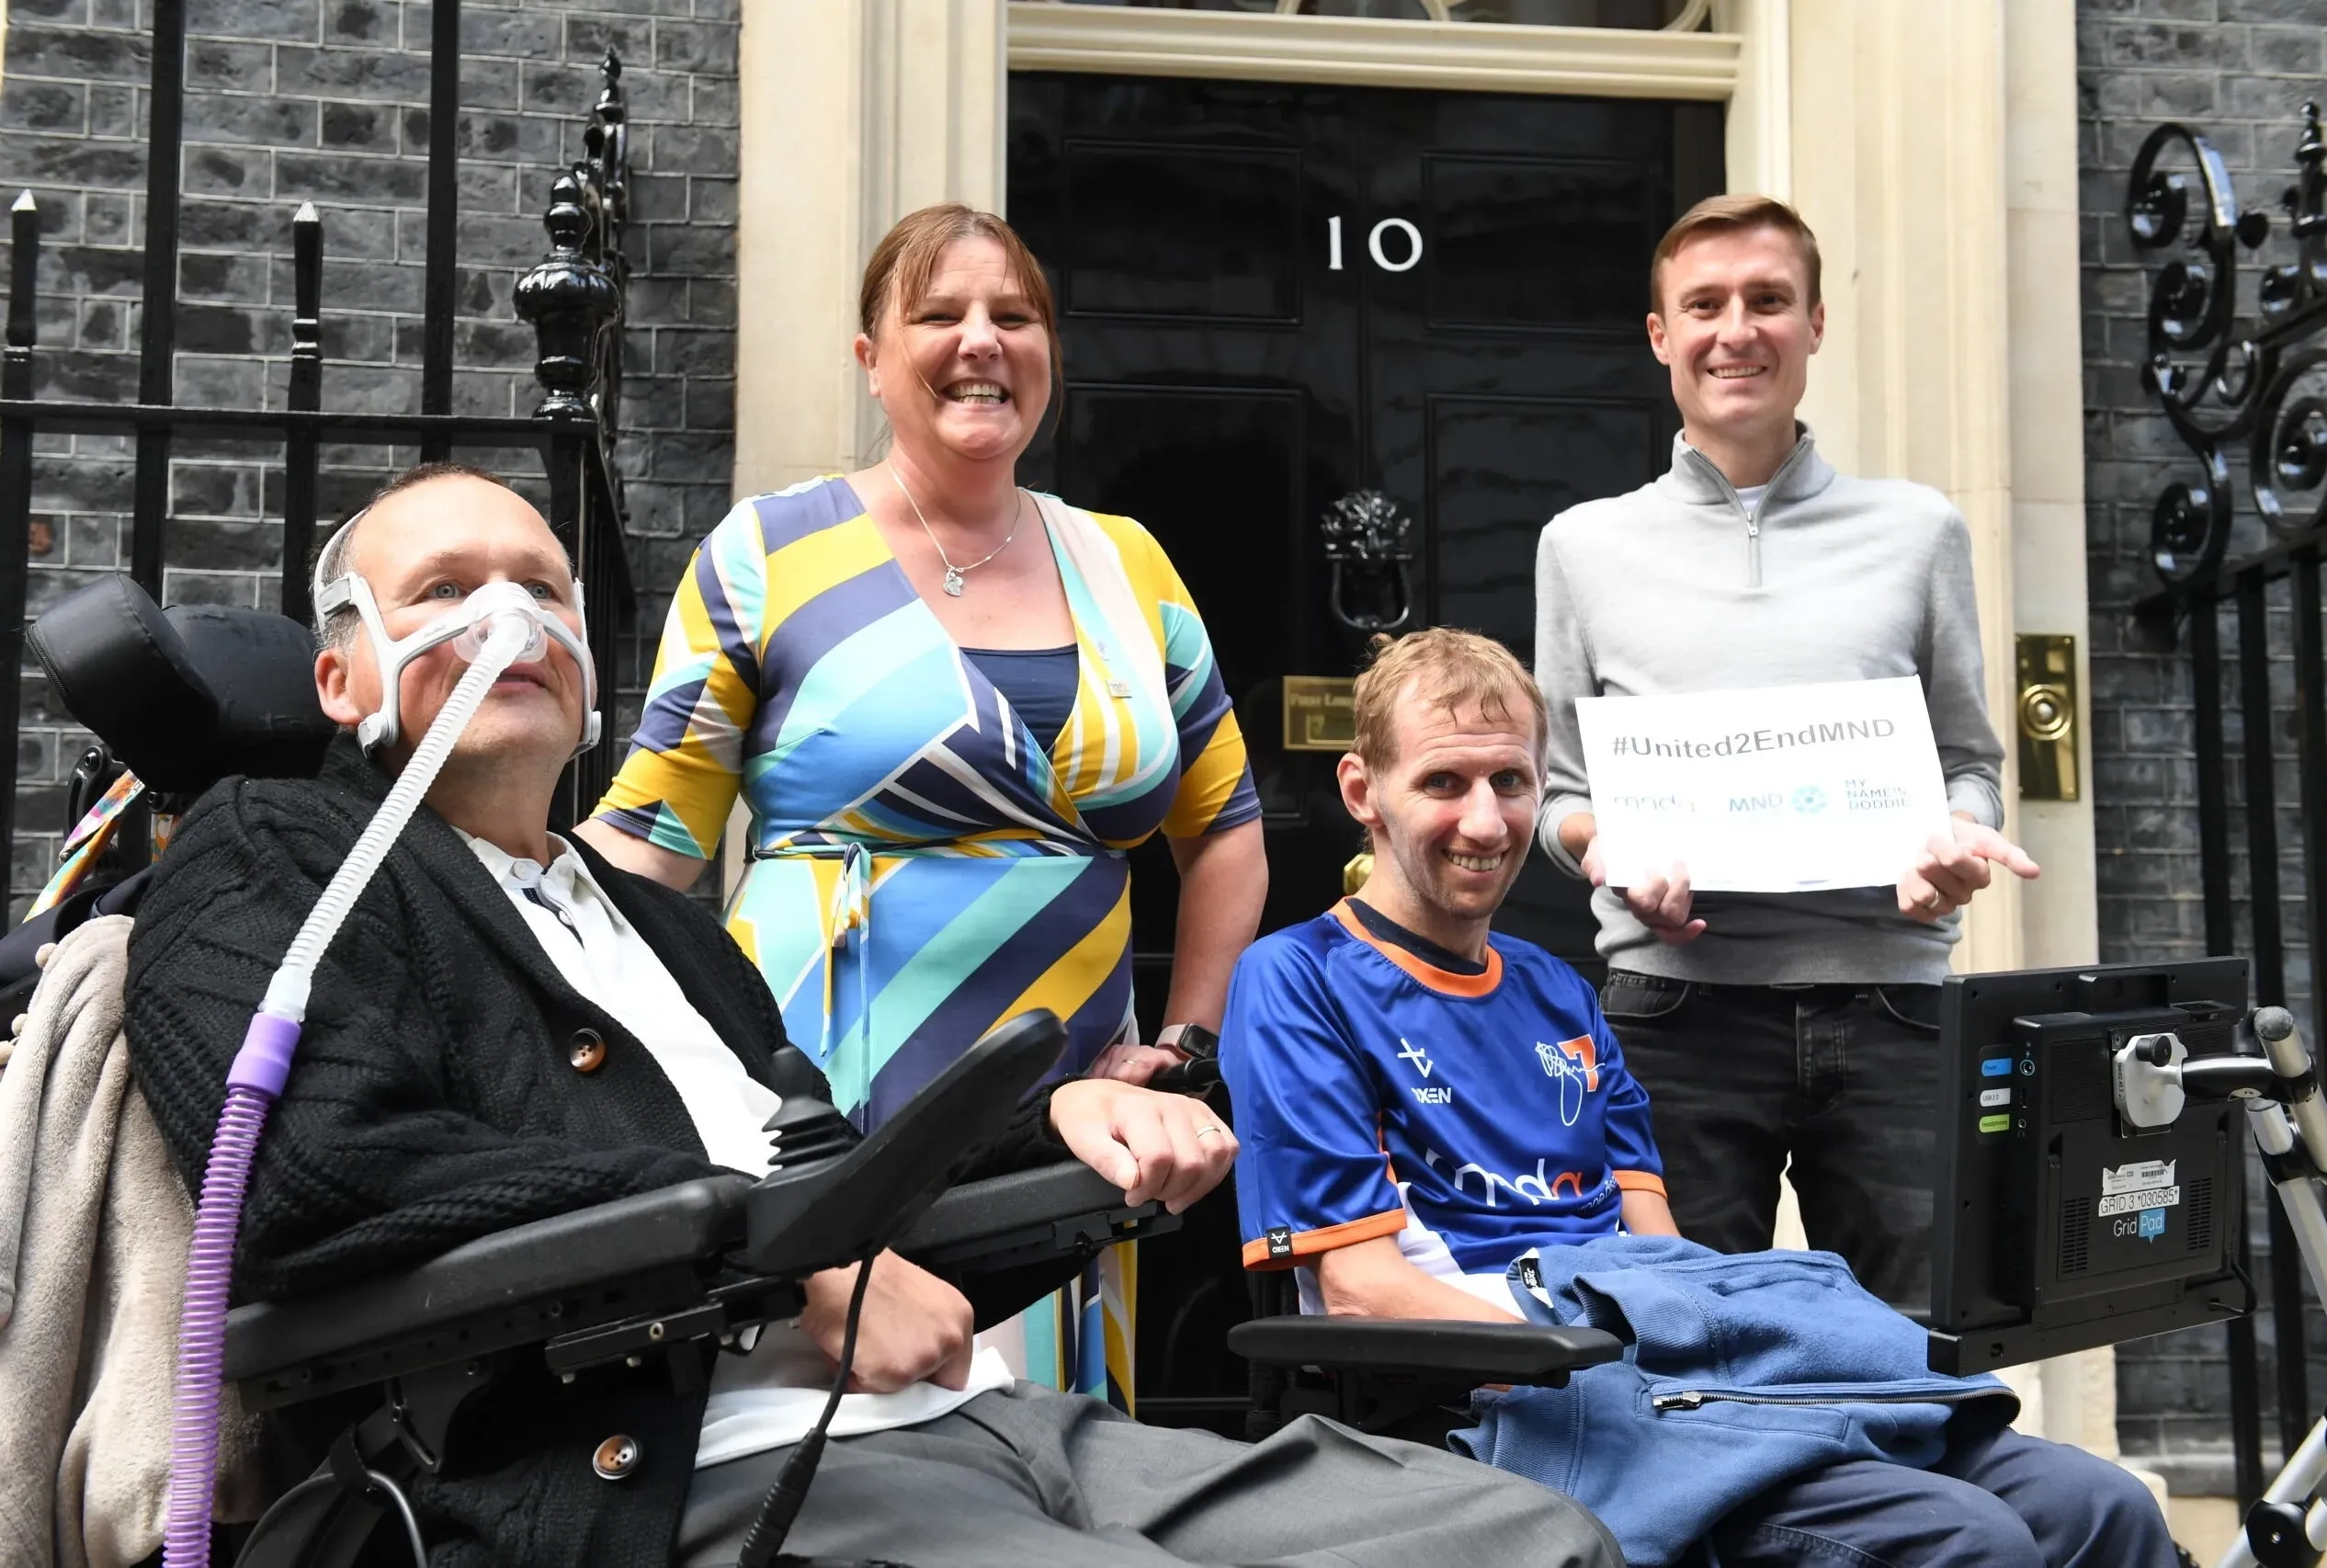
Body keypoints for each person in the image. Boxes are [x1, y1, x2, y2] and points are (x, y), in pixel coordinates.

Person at [121, 467, 1620, 1568]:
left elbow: (852, 1198)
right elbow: (312, 1179)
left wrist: (1066, 1133)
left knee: (1529, 1538)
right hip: (691, 1463)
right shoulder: (280, 853)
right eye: (450, 591)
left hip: (986, 1427)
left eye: (547, 589)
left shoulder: (662, 930)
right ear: (339, 671)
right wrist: (777, 1271)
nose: (513, 613)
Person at [1220, 629, 2174, 1568]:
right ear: (1361, 791)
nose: (1485, 820)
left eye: (1510, 782)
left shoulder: (1557, 989)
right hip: (1506, 1398)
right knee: (1968, 1539)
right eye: (1443, 782)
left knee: (2100, 1504)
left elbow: (1657, 1246)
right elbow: (1358, 1288)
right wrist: (1608, 1354)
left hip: (1665, 1373)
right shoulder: (1296, 978)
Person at [576, 202, 1268, 1402]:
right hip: (825, 1102)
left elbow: (1226, 827)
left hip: (1065, 1112)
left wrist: (1185, 1044)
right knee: (832, 1452)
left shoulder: (1130, 564)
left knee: (1032, 1459)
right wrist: (475, 916)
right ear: (872, 362)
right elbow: (648, 842)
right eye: (939, 314)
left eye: (1014, 315)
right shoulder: (768, 555)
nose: (981, 340)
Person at [1532, 195, 2038, 1312]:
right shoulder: (1582, 545)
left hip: (1896, 1003)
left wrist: (1955, 835)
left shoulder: (1917, 530)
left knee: (1925, 1348)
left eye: (1767, 300)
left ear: (1814, 324)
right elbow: (1556, 796)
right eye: (1703, 305)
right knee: (1676, 1355)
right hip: (1674, 1014)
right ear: (1660, 334)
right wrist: (1608, 846)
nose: (1736, 330)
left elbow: (1968, 761)